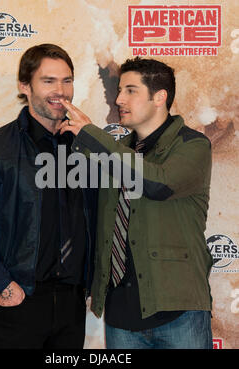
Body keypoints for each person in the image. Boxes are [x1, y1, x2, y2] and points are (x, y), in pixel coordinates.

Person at [58, 57, 214, 349]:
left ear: (159, 97)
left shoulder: (192, 145)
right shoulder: (114, 152)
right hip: (120, 317)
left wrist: (93, 136)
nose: (119, 99)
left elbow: (157, 183)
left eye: (131, 90)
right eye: (119, 90)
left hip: (178, 311)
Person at [0, 44, 97, 349]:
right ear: (24, 86)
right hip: (19, 302)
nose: (61, 91)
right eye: (48, 81)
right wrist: (3, 286)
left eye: (67, 80)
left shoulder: (84, 148)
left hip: (71, 305)